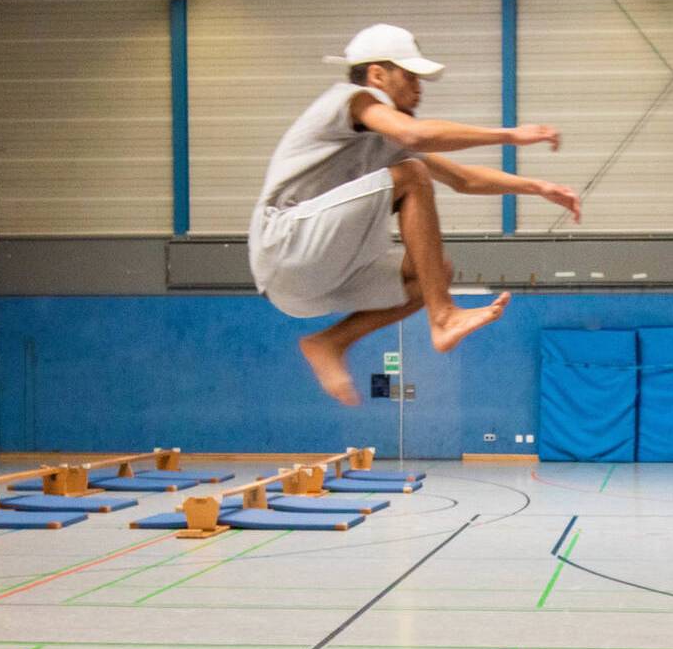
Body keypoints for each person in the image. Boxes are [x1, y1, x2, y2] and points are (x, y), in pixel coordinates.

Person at [249, 23, 583, 405]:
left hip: (308, 289)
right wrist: (509, 134)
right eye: (409, 76)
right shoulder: (350, 99)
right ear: (377, 75)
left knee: (434, 272)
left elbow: (464, 179)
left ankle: (330, 342)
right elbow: (416, 134)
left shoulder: (387, 141)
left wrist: (538, 187)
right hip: (283, 243)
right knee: (413, 175)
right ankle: (443, 318)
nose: (419, 88)